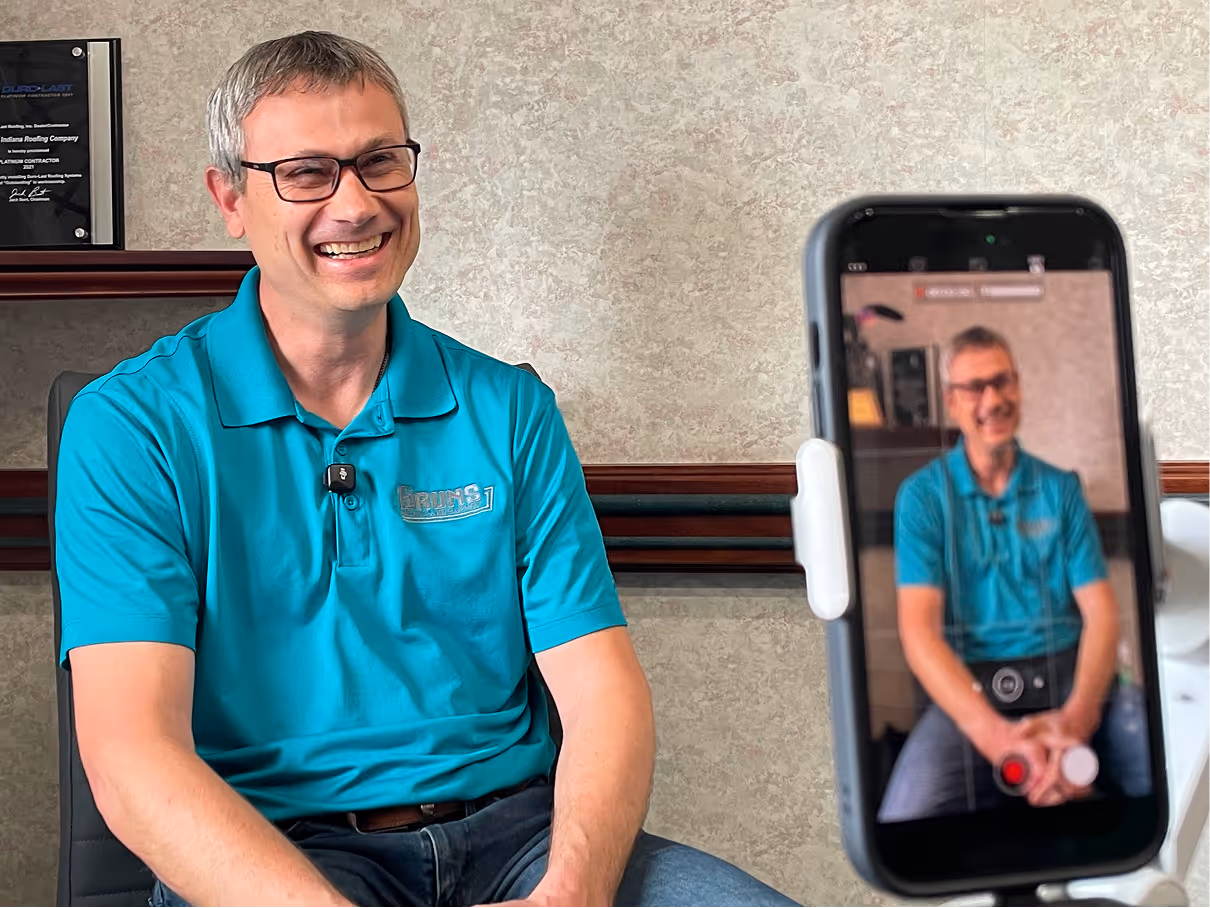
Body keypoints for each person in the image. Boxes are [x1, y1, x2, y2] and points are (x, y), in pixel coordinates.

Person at [53, 31, 799, 908]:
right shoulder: (130, 425)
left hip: (526, 839)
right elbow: (133, 758)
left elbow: (605, 698)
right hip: (282, 859)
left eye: (380, 161)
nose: (355, 203)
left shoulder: (509, 409)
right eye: (305, 173)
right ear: (230, 197)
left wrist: (573, 894)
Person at [877, 326, 1151, 823]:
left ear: (1019, 386)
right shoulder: (921, 498)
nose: (993, 399)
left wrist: (1075, 721)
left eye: (1003, 381)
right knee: (903, 819)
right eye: (975, 387)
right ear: (951, 402)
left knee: (1157, 783)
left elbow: (1102, 615)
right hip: (975, 690)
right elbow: (919, 635)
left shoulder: (1060, 489)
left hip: (1071, 676)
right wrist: (1001, 742)